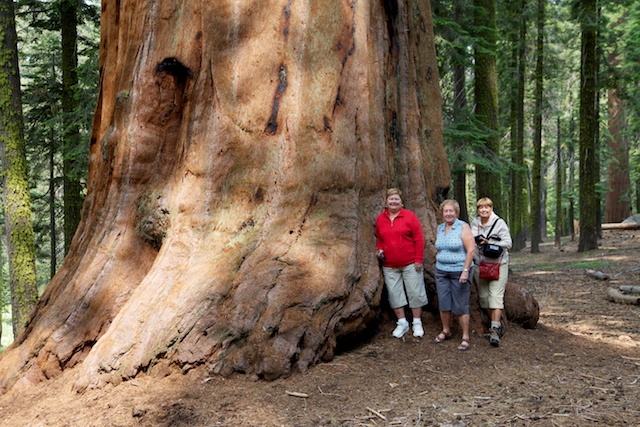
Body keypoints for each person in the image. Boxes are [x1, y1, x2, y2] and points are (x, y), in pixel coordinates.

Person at [376, 188, 428, 338]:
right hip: (389, 265)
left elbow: (419, 239)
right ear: (386, 202)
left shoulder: (409, 216)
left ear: (401, 202)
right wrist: (379, 249)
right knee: (394, 294)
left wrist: (418, 260)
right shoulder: (381, 219)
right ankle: (402, 322)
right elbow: (379, 238)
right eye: (391, 199)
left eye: (396, 199)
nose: (393, 202)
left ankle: (417, 322)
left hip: (410, 263)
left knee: (415, 292)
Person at [433, 199, 476, 351]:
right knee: (444, 302)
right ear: (442, 213)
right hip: (441, 271)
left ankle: (465, 336)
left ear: (456, 212)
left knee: (460, 304)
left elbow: (471, 250)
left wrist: (465, 271)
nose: (448, 214)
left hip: (460, 271)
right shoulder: (440, 228)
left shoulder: (462, 227)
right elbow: (439, 247)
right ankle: (446, 330)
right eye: (446, 211)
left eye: (451, 211)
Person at [471, 197, 513, 347]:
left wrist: (490, 243)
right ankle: (494, 323)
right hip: (480, 264)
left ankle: (495, 329)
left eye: (486, 208)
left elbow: (508, 243)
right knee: (484, 297)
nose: (483, 210)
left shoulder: (499, 223)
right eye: (481, 208)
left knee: (495, 295)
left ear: (491, 208)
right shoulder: (475, 223)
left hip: (498, 264)